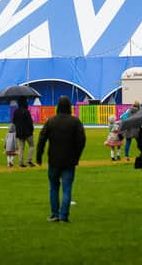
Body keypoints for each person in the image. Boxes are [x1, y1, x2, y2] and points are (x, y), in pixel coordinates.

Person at [36, 95, 86, 223]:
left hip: (54, 159)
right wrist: (77, 155)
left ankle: (54, 214)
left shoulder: (51, 121)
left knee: (53, 187)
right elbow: (81, 140)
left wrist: (39, 155)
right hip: (69, 160)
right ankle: (64, 216)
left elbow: (42, 138)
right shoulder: (75, 122)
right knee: (67, 188)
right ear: (69, 107)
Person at [13, 97, 35, 167]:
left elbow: (14, 121)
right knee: (31, 146)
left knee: (21, 148)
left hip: (19, 132)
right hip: (28, 132)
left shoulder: (16, 112)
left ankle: (20, 162)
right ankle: (29, 161)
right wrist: (31, 130)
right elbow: (30, 122)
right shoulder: (26, 111)